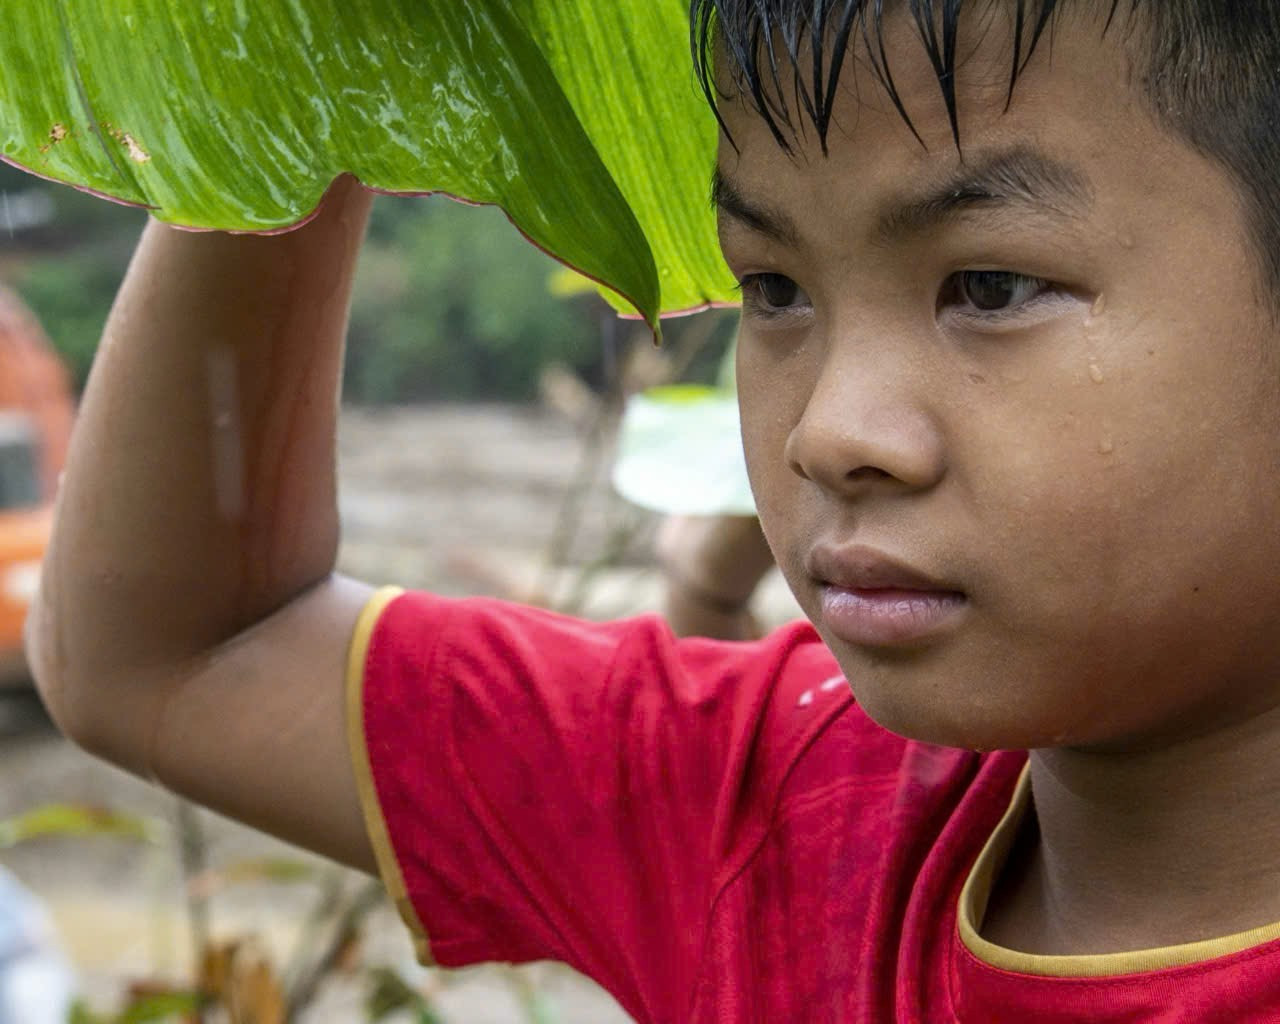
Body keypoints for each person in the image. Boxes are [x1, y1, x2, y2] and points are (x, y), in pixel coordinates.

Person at [27, 2, 1280, 1020]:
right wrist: (335, 49)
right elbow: (183, 657)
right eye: (774, 287)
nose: (826, 428)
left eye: (990, 286)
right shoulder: (778, 810)